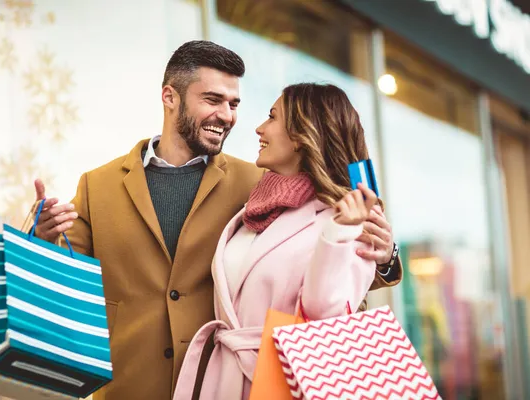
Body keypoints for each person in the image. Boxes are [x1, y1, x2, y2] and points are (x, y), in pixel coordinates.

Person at [31, 41, 402, 400]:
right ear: (170, 97)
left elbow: (322, 277)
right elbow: (64, 277)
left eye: (234, 103)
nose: (227, 115)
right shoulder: (98, 185)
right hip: (129, 387)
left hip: (227, 383)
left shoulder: (259, 184)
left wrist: (384, 256)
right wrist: (43, 237)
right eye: (213, 100)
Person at [172, 82, 386, 400]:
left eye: (272, 117)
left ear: (302, 135)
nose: (259, 128)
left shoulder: (351, 221)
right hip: (223, 380)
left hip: (285, 383)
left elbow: (324, 319)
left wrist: (338, 234)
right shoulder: (254, 210)